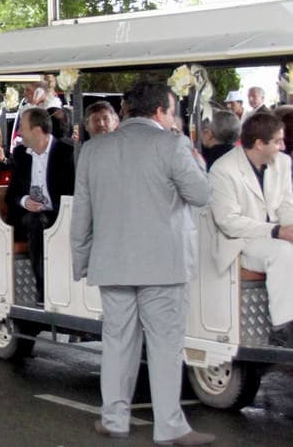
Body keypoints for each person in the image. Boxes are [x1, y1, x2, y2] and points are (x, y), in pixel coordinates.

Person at [71, 80, 213, 445]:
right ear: (160, 112)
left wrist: (81, 259)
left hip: (112, 262)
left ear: (126, 110)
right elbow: (200, 195)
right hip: (163, 265)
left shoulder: (93, 151)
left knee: (117, 342)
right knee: (165, 346)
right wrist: (197, 162)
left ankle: (114, 418)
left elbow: (82, 213)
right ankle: (169, 426)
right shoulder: (173, 145)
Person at [209, 112, 293, 347]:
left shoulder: (283, 163)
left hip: (274, 236)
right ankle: (282, 328)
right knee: (282, 252)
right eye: (278, 141)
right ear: (259, 144)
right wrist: (277, 231)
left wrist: (290, 228)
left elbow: (287, 205)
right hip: (240, 241)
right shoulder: (223, 169)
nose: (283, 146)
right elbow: (229, 221)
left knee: (284, 248)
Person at [6, 107, 74, 301]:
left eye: (22, 127)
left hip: (60, 214)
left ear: (36, 131)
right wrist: (25, 201)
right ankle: (44, 292)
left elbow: (73, 193)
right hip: (29, 218)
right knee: (38, 222)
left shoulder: (66, 153)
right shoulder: (21, 154)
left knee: (53, 223)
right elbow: (11, 195)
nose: (18, 132)